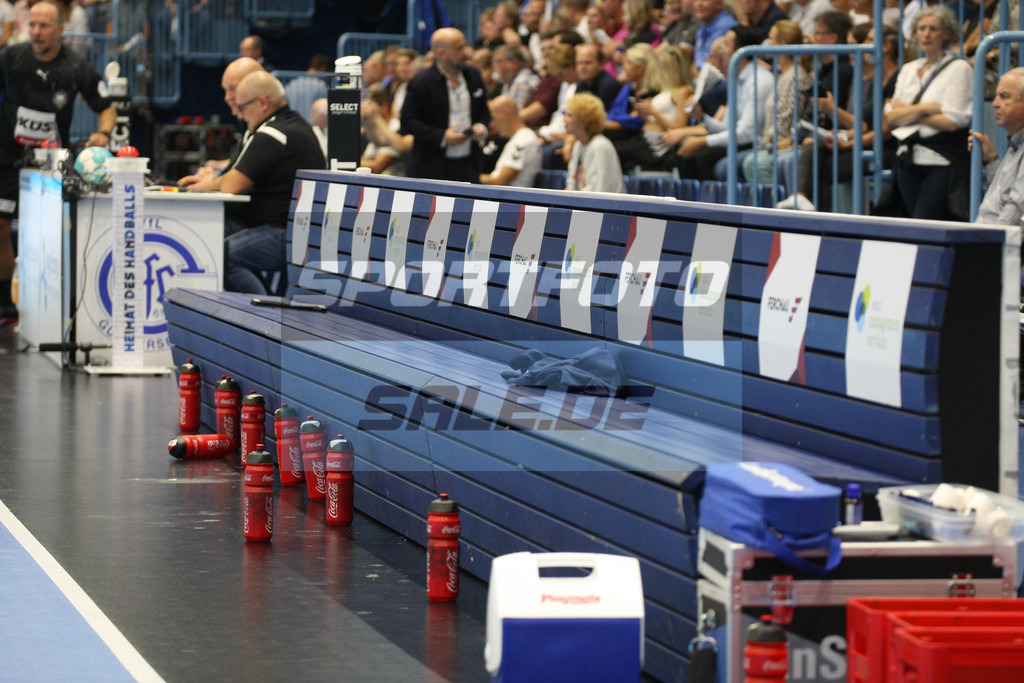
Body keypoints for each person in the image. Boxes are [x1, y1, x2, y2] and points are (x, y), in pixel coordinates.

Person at [0, 0, 115, 322]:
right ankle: (5, 305)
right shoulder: (10, 58)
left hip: (50, 162)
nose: (36, 32)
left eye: (44, 26)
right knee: (0, 227)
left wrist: (103, 135)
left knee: (50, 232)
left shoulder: (77, 67)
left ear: (61, 29)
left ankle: (56, 302)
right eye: (32, 25)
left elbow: (106, 106)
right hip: (6, 156)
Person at [178, 71, 325, 294]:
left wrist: (205, 185)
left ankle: (262, 321)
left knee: (221, 255)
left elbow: (232, 185)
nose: (239, 115)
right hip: (289, 226)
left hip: (287, 231)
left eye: (242, 107)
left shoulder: (274, 133)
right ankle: (266, 307)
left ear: (262, 103)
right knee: (214, 233)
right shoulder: (290, 124)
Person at [885, 4, 972, 220]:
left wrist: (909, 111)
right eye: (921, 28)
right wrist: (928, 108)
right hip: (907, 158)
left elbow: (954, 120)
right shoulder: (908, 69)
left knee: (928, 222)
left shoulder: (959, 68)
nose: (926, 34)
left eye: (933, 28)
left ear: (947, 33)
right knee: (914, 225)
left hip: (942, 160)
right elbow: (891, 117)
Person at [667, 25, 772, 180]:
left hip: (755, 143)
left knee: (703, 156)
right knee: (682, 150)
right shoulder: (736, 80)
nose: (722, 50)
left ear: (741, 50)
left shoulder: (759, 80)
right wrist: (702, 117)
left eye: (727, 45)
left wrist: (704, 141)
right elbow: (727, 127)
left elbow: (747, 133)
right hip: (739, 139)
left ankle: (711, 203)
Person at [400, 27, 490, 182]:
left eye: (465, 45)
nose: (467, 52)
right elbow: (408, 122)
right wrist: (441, 136)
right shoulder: (421, 82)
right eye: (459, 48)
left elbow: (484, 111)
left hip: (469, 163)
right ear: (442, 53)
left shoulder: (473, 75)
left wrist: (481, 128)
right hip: (432, 166)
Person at [972, 68, 1024, 227]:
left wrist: (990, 242)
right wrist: (991, 158)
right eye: (996, 96)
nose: (995, 103)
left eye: (1004, 97)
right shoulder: (1015, 144)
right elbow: (1002, 194)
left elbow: (1017, 209)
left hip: (997, 244)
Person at [564, 92, 626, 193]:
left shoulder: (600, 146)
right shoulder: (578, 145)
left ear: (584, 121)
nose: (564, 119)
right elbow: (572, 183)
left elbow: (599, 190)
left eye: (570, 115)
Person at [479, 95, 542, 187]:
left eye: (494, 118)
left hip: (512, 199)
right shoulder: (518, 138)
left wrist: (468, 177)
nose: (492, 124)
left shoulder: (524, 140)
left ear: (505, 114)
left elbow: (500, 181)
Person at [283, 53, 330, 127]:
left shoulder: (291, 84)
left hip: (291, 128)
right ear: (323, 69)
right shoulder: (321, 86)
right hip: (312, 132)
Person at [493, 43, 540, 110]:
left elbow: (513, 114)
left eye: (498, 61)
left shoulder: (522, 81)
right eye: (494, 62)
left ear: (514, 64)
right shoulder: (508, 82)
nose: (494, 66)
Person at [692, 0, 737, 68]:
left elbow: (713, 65)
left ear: (719, 4)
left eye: (704, 0)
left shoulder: (725, 25)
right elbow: (697, 62)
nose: (699, 4)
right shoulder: (703, 27)